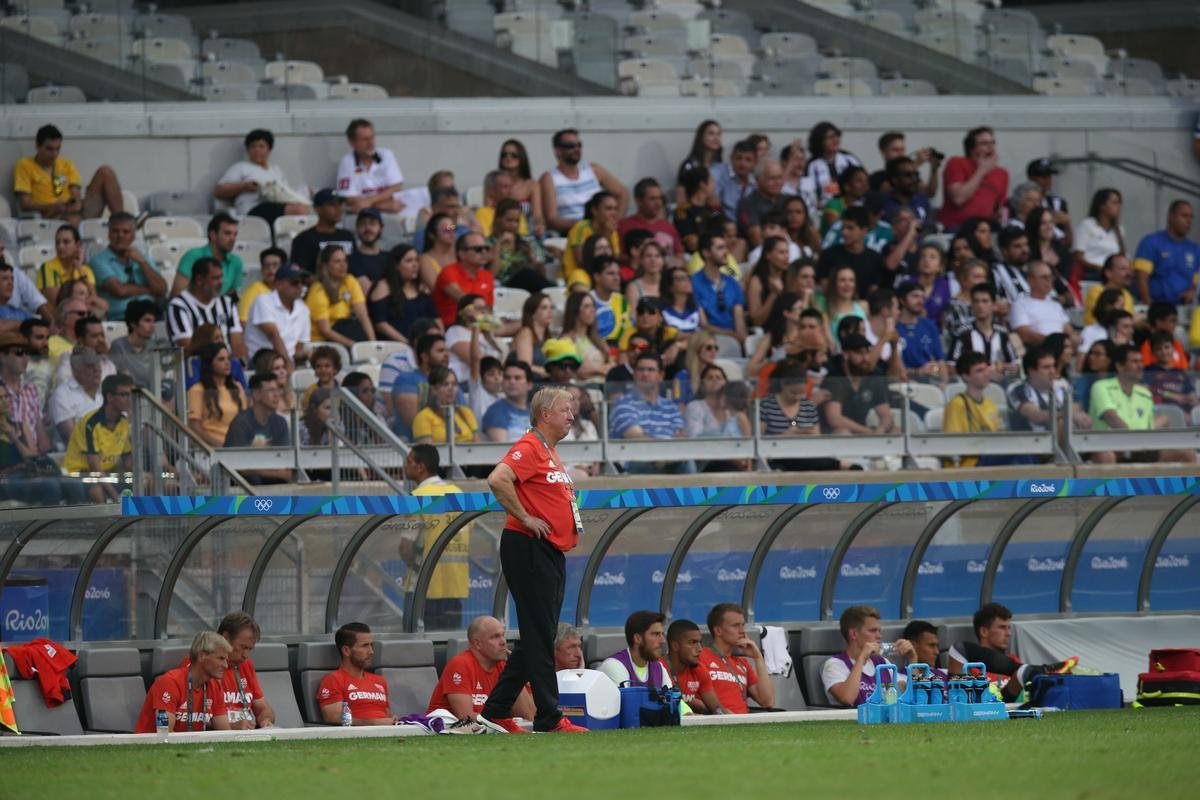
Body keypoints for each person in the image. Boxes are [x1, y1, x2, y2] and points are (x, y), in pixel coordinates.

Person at [480, 386, 589, 734]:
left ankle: (496, 709)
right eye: (565, 409)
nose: (571, 415)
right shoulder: (529, 447)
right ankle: (549, 715)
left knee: (537, 635)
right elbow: (498, 479)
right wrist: (525, 517)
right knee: (541, 635)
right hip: (528, 545)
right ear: (545, 415)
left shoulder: (549, 451)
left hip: (547, 549)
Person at [399, 444, 470, 629]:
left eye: (409, 461)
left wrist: (412, 562)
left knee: (417, 650)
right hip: (455, 587)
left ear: (420, 466)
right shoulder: (458, 493)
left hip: (423, 587)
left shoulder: (418, 496)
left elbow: (405, 547)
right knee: (448, 648)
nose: (405, 466)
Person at [1090, 344, 1196, 463]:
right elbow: (1112, 419)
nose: (1141, 366)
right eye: (1135, 362)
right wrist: (1135, 443)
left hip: (1141, 450)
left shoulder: (1145, 394)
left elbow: (1149, 429)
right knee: (1105, 455)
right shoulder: (1100, 387)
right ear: (1119, 366)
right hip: (1111, 448)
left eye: (1141, 361)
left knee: (1187, 453)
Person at [947, 603, 1074, 701]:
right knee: (958, 649)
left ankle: (1049, 673)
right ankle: (1045, 670)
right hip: (985, 709)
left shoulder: (1014, 660)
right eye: (1002, 627)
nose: (1008, 633)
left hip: (1017, 708)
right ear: (984, 632)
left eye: (1009, 628)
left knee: (1025, 672)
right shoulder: (970, 666)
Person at [428, 615, 536, 722]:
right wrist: (503, 722)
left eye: (503, 635)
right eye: (495, 637)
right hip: (448, 735)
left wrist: (515, 670)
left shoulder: (505, 667)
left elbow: (530, 716)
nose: (503, 642)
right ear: (477, 643)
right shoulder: (460, 665)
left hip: (488, 732)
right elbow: (466, 717)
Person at [13, 124, 123, 222]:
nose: (54, 154)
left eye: (57, 149)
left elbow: (75, 191)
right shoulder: (24, 165)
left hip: (74, 210)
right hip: (50, 216)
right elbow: (25, 204)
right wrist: (51, 207)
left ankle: (122, 221)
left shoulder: (65, 164)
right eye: (49, 149)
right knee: (73, 220)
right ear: (37, 146)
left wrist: (76, 202)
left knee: (105, 172)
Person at [610, 352, 695, 474]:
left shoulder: (671, 407)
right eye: (640, 369)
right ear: (634, 374)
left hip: (671, 460)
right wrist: (663, 455)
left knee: (687, 459)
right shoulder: (623, 404)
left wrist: (666, 457)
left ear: (660, 375)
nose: (645, 374)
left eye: (650, 370)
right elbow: (637, 438)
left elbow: (680, 437)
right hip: (637, 462)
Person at [135, 631, 231, 733]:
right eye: (221, 658)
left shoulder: (214, 685)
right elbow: (164, 732)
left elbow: (225, 733)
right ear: (202, 656)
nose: (226, 665)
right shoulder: (169, 682)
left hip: (187, 746)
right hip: (151, 746)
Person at [214, 128, 310, 228]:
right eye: (253, 146)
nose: (257, 150)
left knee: (304, 208)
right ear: (248, 150)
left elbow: (285, 192)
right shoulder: (241, 167)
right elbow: (218, 191)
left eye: (261, 146)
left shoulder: (276, 170)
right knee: (298, 210)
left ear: (269, 150)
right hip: (252, 210)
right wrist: (243, 186)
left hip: (275, 205)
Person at [822, 605, 914, 707]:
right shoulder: (835, 664)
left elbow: (913, 692)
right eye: (873, 631)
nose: (879, 636)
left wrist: (912, 658)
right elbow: (847, 698)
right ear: (853, 634)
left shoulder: (882, 662)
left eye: (879, 631)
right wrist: (862, 658)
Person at [540, 128, 628, 235]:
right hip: (571, 234)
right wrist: (587, 224)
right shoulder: (549, 178)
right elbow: (552, 219)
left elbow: (622, 194)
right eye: (570, 146)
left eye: (579, 145)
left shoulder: (594, 170)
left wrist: (615, 220)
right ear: (558, 151)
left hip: (601, 231)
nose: (577, 149)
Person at [60, 372, 132, 501]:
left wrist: (142, 476)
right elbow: (95, 469)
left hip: (107, 473)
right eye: (124, 395)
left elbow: (128, 461)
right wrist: (116, 499)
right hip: (79, 474)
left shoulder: (123, 422)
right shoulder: (90, 424)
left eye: (131, 395)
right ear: (110, 397)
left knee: (145, 482)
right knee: (97, 492)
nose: (129, 399)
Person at [91, 212, 167, 322]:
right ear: (109, 234)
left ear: (133, 236)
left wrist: (143, 263)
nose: (120, 236)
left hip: (152, 315)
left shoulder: (142, 258)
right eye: (115, 231)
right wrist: (149, 290)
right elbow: (120, 290)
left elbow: (161, 289)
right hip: (121, 318)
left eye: (125, 232)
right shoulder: (98, 261)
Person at [698, 603, 774, 714]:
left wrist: (758, 658)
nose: (742, 631)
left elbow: (767, 701)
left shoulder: (742, 663)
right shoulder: (700, 656)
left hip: (743, 723)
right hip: (717, 721)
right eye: (735, 625)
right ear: (718, 631)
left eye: (743, 625)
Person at [317, 622, 397, 725]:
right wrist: (373, 724)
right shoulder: (333, 680)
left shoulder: (379, 681)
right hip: (358, 737)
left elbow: (386, 715)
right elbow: (334, 718)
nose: (371, 651)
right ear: (346, 651)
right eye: (365, 646)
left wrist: (392, 719)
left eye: (371, 645)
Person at [168, 256, 245, 360]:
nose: (221, 282)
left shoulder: (227, 303)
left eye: (221, 277)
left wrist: (238, 367)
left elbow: (238, 343)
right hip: (198, 370)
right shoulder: (179, 305)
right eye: (215, 278)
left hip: (228, 365)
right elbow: (188, 347)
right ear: (199, 280)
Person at [822, 333, 897, 435]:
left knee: (895, 430)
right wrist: (869, 432)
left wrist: (881, 429)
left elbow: (886, 415)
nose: (865, 358)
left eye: (867, 352)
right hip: (831, 434)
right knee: (843, 433)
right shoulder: (835, 378)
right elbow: (835, 419)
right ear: (846, 354)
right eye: (859, 353)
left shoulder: (873, 377)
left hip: (864, 430)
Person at [938, 126, 1008, 232]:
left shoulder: (1002, 174)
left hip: (985, 229)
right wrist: (982, 171)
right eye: (984, 143)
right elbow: (958, 198)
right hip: (957, 228)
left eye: (992, 143)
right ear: (971, 148)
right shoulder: (957, 163)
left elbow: (999, 209)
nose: (991, 147)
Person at [224, 372, 292, 481]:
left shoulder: (280, 422)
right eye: (271, 391)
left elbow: (286, 465)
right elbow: (238, 466)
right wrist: (277, 473)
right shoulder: (241, 423)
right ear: (256, 395)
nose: (277, 395)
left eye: (278, 390)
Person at [215, 611, 276, 729]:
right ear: (225, 637)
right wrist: (231, 726)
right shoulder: (203, 664)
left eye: (250, 649)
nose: (246, 655)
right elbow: (193, 716)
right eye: (242, 647)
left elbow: (263, 709)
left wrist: (265, 720)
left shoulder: (245, 665)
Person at [245, 263, 311, 370]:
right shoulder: (263, 300)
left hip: (286, 364)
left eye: (303, 282)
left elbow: (298, 347)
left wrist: (306, 355)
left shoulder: (303, 309)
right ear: (278, 285)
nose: (300, 286)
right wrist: (288, 364)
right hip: (262, 364)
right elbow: (273, 336)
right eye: (295, 282)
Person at [942, 353, 1004, 466]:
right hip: (969, 464)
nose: (986, 374)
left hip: (989, 457)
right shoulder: (957, 404)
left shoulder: (991, 405)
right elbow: (953, 443)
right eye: (979, 371)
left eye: (986, 369)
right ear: (966, 376)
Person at [1133, 200, 1200, 304]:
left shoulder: (1195, 249)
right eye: (1184, 216)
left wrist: (1192, 291)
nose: (1189, 221)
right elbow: (1141, 278)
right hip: (1157, 306)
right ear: (1170, 217)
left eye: (1191, 217)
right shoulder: (1151, 242)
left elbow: (1196, 278)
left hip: (1183, 308)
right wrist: (1149, 305)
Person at [384, 332, 448, 440]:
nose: (447, 355)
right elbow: (414, 421)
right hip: (416, 447)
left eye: (447, 351)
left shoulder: (449, 380)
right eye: (440, 351)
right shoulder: (407, 380)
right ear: (424, 357)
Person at [369, 244, 437, 344]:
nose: (415, 265)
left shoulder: (422, 288)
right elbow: (381, 324)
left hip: (424, 345)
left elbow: (435, 318)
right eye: (409, 261)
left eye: (416, 260)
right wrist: (407, 343)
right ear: (396, 265)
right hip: (395, 346)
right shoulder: (383, 287)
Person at [948, 283, 1020, 377]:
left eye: (985, 301)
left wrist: (1007, 367)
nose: (980, 306)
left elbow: (1016, 364)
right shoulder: (962, 333)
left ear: (994, 305)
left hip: (999, 385)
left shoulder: (1002, 333)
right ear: (972, 305)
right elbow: (951, 366)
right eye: (976, 301)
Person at [335, 118, 405, 213]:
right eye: (365, 139)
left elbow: (396, 187)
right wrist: (383, 206)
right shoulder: (347, 161)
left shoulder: (386, 155)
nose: (371, 143)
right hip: (363, 216)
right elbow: (349, 198)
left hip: (389, 213)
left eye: (372, 137)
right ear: (352, 142)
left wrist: (368, 202)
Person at [598, 610, 676, 693]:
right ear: (637, 638)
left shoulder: (659, 667)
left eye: (662, 634)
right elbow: (627, 705)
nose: (663, 640)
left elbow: (674, 702)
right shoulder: (614, 666)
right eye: (656, 634)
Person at [0, 330, 50, 456]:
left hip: (32, 459)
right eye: (19, 353)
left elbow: (39, 429)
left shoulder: (31, 389)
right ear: (2, 356)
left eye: (27, 353)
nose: (25, 358)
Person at [187, 343, 246, 448]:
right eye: (221, 359)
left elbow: (245, 419)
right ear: (210, 363)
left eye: (228, 359)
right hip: (211, 449)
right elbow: (194, 426)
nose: (227, 363)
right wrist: (219, 445)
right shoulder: (197, 389)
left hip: (238, 446)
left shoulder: (237, 387)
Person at [692, 232, 747, 347]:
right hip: (706, 342)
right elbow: (703, 324)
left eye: (726, 247)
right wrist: (731, 335)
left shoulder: (732, 283)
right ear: (706, 252)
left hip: (734, 343)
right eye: (720, 248)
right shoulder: (693, 283)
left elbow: (739, 322)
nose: (726, 252)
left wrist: (740, 337)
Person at [816, 207, 886, 294]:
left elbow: (873, 292)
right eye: (843, 228)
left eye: (850, 228)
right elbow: (825, 288)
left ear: (864, 230)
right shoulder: (829, 255)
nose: (844, 232)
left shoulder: (875, 259)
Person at [172, 213, 244, 298]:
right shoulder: (193, 256)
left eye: (235, 234)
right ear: (213, 235)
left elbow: (233, 297)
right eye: (227, 233)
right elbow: (177, 295)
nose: (233, 239)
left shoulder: (236, 262)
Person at [487, 198, 550, 293]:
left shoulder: (526, 240)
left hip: (530, 284)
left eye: (516, 221)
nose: (513, 225)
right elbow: (491, 275)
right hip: (506, 286)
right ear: (498, 219)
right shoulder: (489, 243)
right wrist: (498, 244)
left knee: (529, 274)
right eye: (509, 220)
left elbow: (542, 272)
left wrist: (531, 256)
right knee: (526, 274)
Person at [35, 224, 103, 312]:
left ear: (78, 245)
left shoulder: (85, 270)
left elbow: (94, 301)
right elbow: (58, 302)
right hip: (57, 319)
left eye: (66, 242)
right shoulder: (48, 267)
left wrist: (79, 268)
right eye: (57, 242)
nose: (60, 246)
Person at [433, 233, 495, 328]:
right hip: (454, 326)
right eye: (478, 249)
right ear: (462, 254)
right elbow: (464, 301)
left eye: (486, 248)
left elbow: (489, 308)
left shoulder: (487, 275)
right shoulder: (448, 272)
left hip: (481, 325)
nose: (483, 252)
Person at [664, 619, 726, 715]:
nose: (700, 649)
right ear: (675, 646)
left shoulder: (699, 669)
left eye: (700, 642)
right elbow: (665, 708)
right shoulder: (659, 668)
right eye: (692, 642)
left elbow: (717, 709)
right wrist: (694, 705)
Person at [563, 191, 622, 289]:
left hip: (602, 278)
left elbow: (614, 260)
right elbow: (582, 262)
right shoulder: (580, 228)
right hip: (578, 277)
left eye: (615, 209)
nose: (613, 213)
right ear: (595, 210)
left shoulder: (612, 231)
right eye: (608, 209)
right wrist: (606, 234)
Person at [289, 189, 355, 274]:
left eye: (340, 204)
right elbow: (300, 272)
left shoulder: (348, 236)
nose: (338, 208)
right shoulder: (304, 239)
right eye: (332, 205)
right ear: (318, 209)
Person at [895, 281, 948, 384]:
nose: (920, 301)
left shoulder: (930, 326)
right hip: (902, 385)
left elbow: (939, 362)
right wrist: (918, 372)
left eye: (923, 297)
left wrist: (942, 383)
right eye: (915, 296)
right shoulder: (894, 328)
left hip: (929, 385)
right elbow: (892, 370)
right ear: (902, 300)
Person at [49, 346, 104, 445]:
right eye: (90, 365)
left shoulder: (106, 391)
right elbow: (73, 437)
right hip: (75, 455)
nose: (97, 369)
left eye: (97, 363)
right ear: (75, 370)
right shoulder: (63, 395)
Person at [1010, 261, 1072, 347]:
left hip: (1061, 349)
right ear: (1030, 280)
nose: (1049, 281)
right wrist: (1054, 343)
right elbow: (1025, 334)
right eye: (1044, 277)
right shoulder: (1020, 304)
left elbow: (1068, 330)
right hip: (1038, 351)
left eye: (1050, 277)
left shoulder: (1055, 304)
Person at [618, 177, 683, 260]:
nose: (658, 203)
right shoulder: (624, 226)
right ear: (639, 201)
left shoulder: (668, 226)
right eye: (652, 199)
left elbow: (679, 254)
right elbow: (619, 256)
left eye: (660, 198)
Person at [108, 299, 160, 397]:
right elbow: (123, 380)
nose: (152, 326)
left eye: (154, 321)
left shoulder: (154, 347)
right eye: (147, 321)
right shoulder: (119, 346)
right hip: (129, 400)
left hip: (152, 399)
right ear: (133, 323)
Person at [412, 366, 477, 444]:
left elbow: (478, 445)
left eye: (454, 384)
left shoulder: (466, 412)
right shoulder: (423, 417)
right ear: (434, 389)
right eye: (445, 384)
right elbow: (427, 452)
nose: (451, 389)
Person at [560, 292, 615, 381]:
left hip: (604, 389)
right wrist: (602, 369)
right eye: (587, 306)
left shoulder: (598, 339)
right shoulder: (567, 340)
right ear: (575, 311)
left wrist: (594, 369)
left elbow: (612, 366)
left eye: (593, 306)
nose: (593, 310)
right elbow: (579, 370)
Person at [805, 121, 861, 206]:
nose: (835, 140)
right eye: (830, 137)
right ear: (820, 141)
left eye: (836, 136)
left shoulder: (849, 159)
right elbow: (808, 191)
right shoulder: (812, 165)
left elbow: (862, 182)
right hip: (824, 209)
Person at [1074, 188, 1126, 280]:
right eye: (1114, 203)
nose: (1118, 206)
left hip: (1112, 273)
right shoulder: (1087, 225)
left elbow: (1122, 256)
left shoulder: (1119, 229)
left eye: (1119, 203)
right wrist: (1099, 268)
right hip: (1092, 271)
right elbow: (1079, 257)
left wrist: (1117, 227)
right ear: (1102, 206)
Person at [497, 139, 545, 237]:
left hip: (527, 233)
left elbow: (537, 215)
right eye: (504, 155)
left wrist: (539, 226)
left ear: (522, 158)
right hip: (501, 232)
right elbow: (489, 211)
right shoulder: (494, 183)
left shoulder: (532, 185)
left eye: (513, 155)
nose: (508, 158)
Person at [1144, 331, 1196, 412]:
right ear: (1153, 352)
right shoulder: (1148, 370)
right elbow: (1146, 390)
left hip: (1182, 411)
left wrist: (1192, 398)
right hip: (1158, 410)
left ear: (1173, 348)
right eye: (1158, 349)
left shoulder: (1181, 373)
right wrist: (1171, 395)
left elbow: (1190, 392)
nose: (1164, 352)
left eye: (1167, 347)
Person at [483, 361, 533, 442]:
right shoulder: (496, 411)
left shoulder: (537, 411)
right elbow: (503, 449)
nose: (512, 382)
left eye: (517, 378)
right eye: (507, 378)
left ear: (529, 385)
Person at [511, 293, 555, 381]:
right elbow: (525, 366)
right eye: (544, 308)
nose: (550, 311)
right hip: (530, 384)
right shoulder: (526, 333)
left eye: (551, 307)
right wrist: (550, 373)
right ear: (532, 313)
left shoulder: (548, 337)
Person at [347, 208, 390, 295]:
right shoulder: (349, 260)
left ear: (381, 228)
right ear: (357, 228)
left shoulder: (389, 258)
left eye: (372, 223)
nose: (367, 228)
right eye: (363, 224)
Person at [1083, 254, 1135, 327]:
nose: (1129, 273)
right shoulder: (1096, 291)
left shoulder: (1127, 295)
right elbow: (1111, 319)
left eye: (1129, 269)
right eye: (1123, 269)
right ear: (1108, 273)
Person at [239, 247, 287, 325]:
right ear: (261, 269)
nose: (270, 269)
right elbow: (243, 321)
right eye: (266, 265)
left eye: (275, 265)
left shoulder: (287, 291)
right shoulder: (254, 289)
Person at [660, 265, 704, 335]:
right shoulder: (663, 312)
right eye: (681, 278)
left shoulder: (696, 307)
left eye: (688, 277)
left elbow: (705, 328)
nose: (687, 281)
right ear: (670, 286)